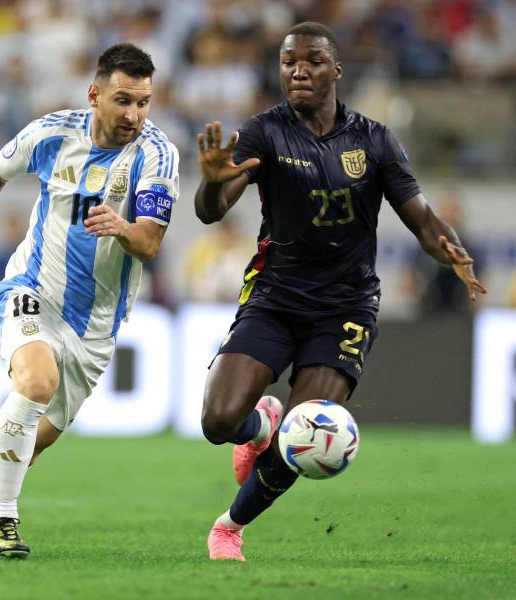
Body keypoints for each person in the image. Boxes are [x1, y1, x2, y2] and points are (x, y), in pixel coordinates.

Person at [194, 22, 486, 562]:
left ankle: (229, 526)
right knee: (218, 421)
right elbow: (211, 212)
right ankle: (259, 423)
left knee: (306, 434)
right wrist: (212, 181)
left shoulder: (374, 140)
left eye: (312, 61)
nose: (298, 71)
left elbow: (422, 219)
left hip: (345, 308)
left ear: (336, 70)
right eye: (288, 63)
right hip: (276, 296)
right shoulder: (264, 132)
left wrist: (452, 251)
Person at [0, 43, 179, 559]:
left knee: (25, 448)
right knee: (36, 381)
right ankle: (2, 523)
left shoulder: (156, 155)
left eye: (144, 102)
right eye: (123, 100)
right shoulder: (52, 133)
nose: (134, 115)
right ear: (94, 94)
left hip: (96, 325)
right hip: (33, 289)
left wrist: (122, 228)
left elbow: (149, 243)